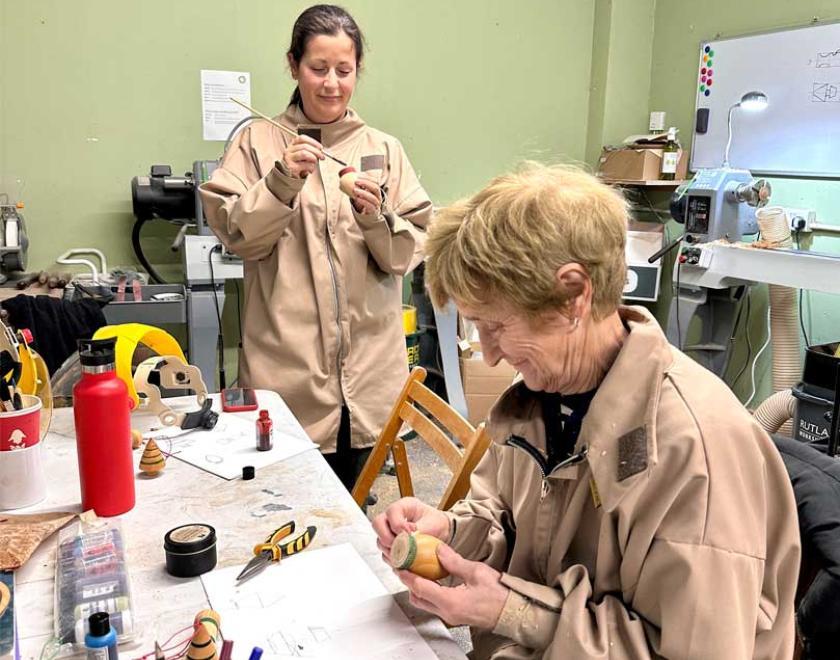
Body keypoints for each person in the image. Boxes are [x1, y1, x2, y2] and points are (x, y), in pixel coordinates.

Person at [373, 163, 801, 659]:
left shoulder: (695, 451)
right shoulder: (539, 397)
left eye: (496, 326)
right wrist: (450, 533)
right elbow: (507, 518)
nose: (487, 355)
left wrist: (513, 612)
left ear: (573, 295)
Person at [200, 5, 431, 489]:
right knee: (284, 505)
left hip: (369, 378)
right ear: (293, 65)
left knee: (352, 508)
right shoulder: (257, 143)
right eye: (318, 68)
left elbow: (404, 255)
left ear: (358, 70)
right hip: (288, 378)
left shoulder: (384, 149)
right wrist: (281, 181)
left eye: (344, 71)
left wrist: (376, 217)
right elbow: (239, 237)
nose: (331, 84)